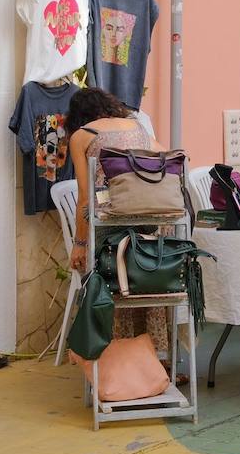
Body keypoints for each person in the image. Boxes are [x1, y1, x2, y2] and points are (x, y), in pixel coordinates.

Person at [66, 86, 169, 357]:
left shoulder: (82, 135)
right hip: (150, 222)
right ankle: (155, 358)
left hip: (110, 226)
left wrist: (78, 243)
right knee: (145, 284)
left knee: (102, 278)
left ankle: (117, 357)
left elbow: (86, 198)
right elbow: (167, 157)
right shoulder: (137, 127)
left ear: (78, 116)